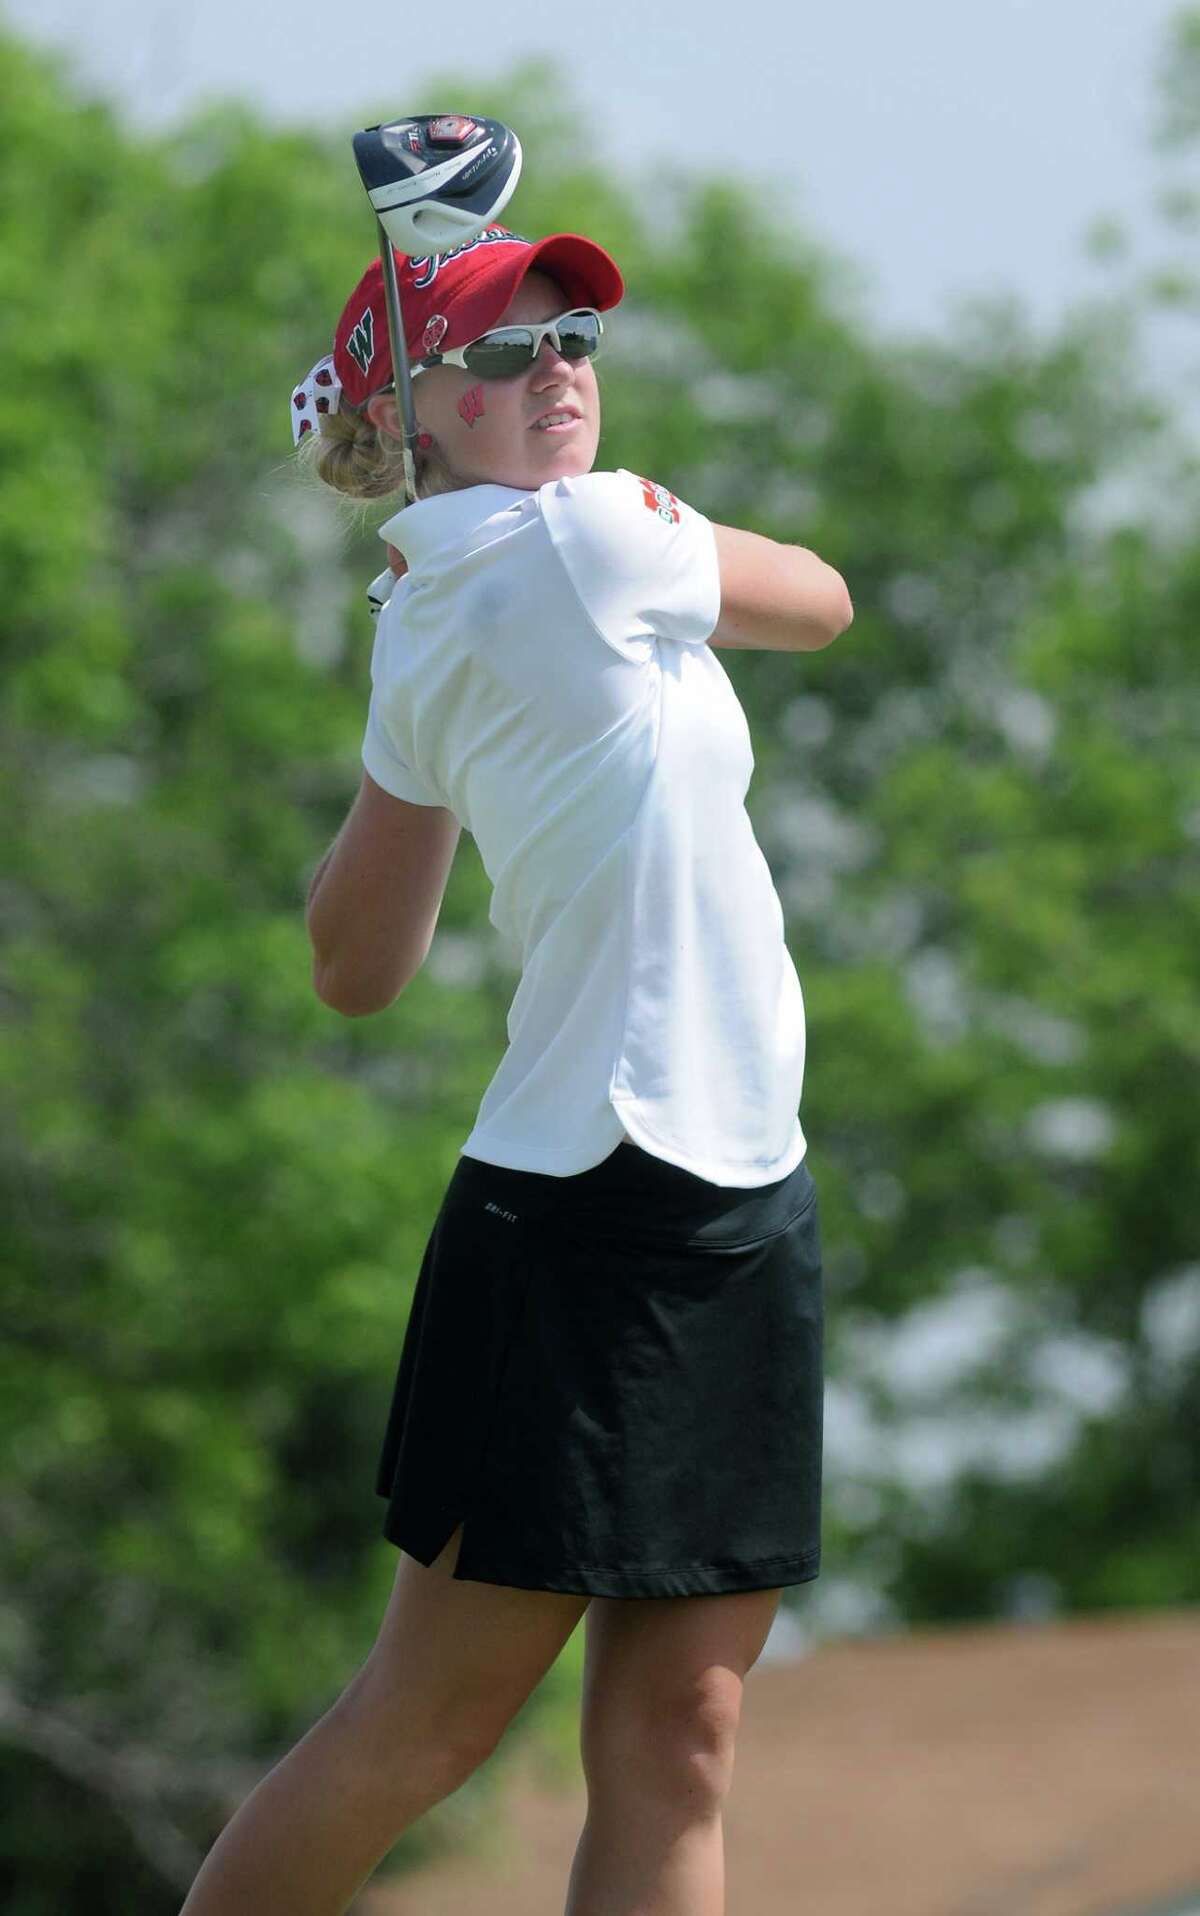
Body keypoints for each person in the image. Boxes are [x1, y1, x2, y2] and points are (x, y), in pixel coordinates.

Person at [180, 223, 852, 1916]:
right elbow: (826, 601)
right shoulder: (603, 541)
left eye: (574, 341)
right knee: (423, 1729)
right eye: (500, 356)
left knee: (683, 1737)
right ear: (420, 418)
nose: (556, 373)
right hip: (575, 1218)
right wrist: (435, 661)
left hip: (743, 1195)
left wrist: (416, 690)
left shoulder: (442, 605)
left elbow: (355, 962)